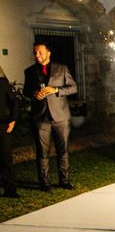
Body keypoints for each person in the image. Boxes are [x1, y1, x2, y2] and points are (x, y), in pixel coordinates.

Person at [23, 42, 77, 191]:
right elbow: (26, 91)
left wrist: (55, 90)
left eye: (40, 52)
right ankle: (44, 183)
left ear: (48, 53)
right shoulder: (30, 71)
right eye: (35, 53)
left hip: (61, 116)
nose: (37, 55)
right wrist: (34, 93)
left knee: (63, 150)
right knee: (42, 152)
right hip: (41, 118)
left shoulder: (62, 68)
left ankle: (64, 181)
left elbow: (73, 88)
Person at [0, 76, 20, 197]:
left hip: (2, 125)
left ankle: (10, 189)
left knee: (6, 158)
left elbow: (14, 101)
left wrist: (13, 119)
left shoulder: (2, 83)